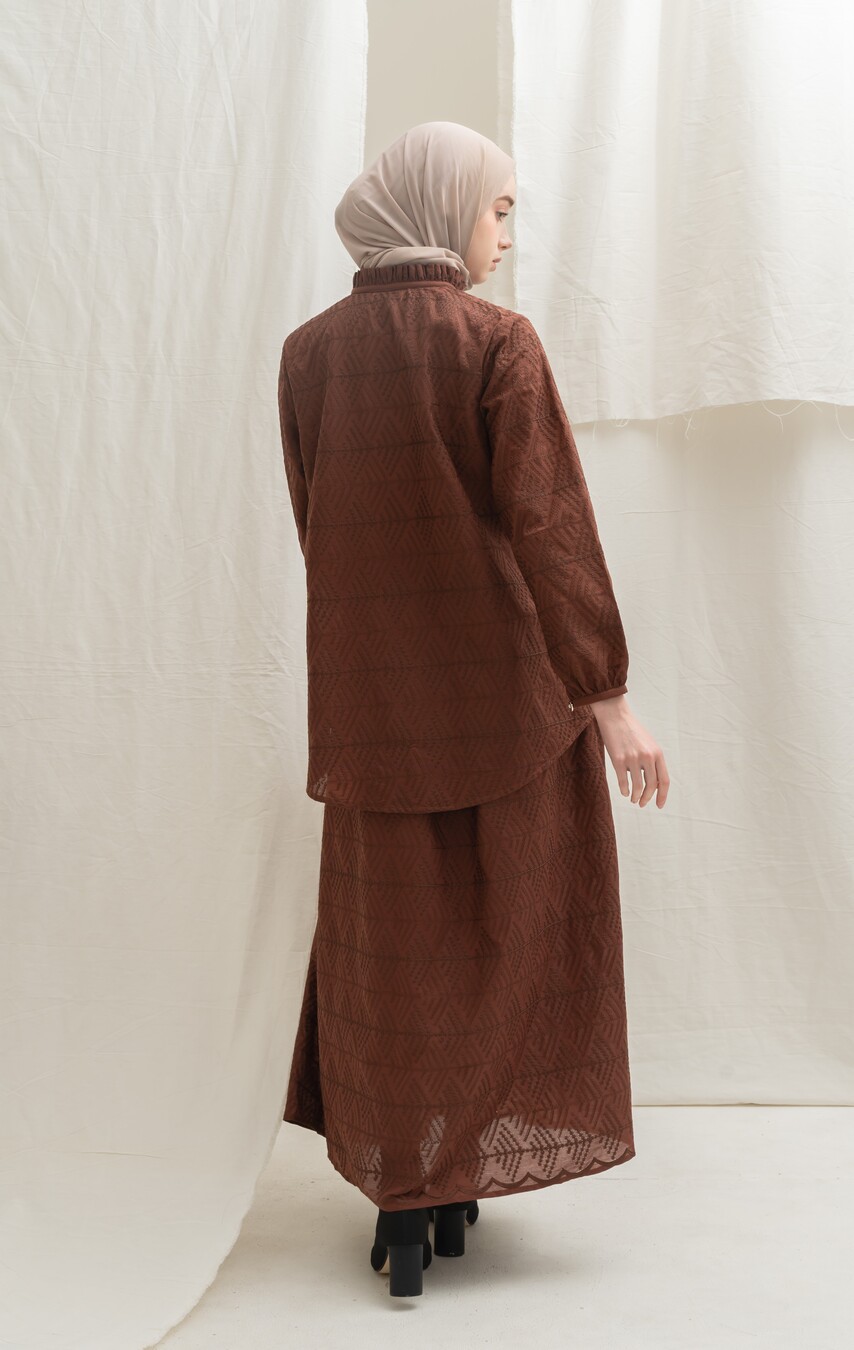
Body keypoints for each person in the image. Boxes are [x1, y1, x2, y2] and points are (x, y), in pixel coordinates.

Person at [277, 121, 669, 1299]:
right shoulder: (496, 341)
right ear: (443, 206)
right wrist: (606, 699)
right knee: (513, 943)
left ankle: (408, 1201)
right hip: (509, 708)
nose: (505, 233)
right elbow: (551, 527)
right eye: (498, 207)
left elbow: (316, 527)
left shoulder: (306, 354)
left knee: (396, 957)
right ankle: (456, 1183)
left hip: (369, 717)